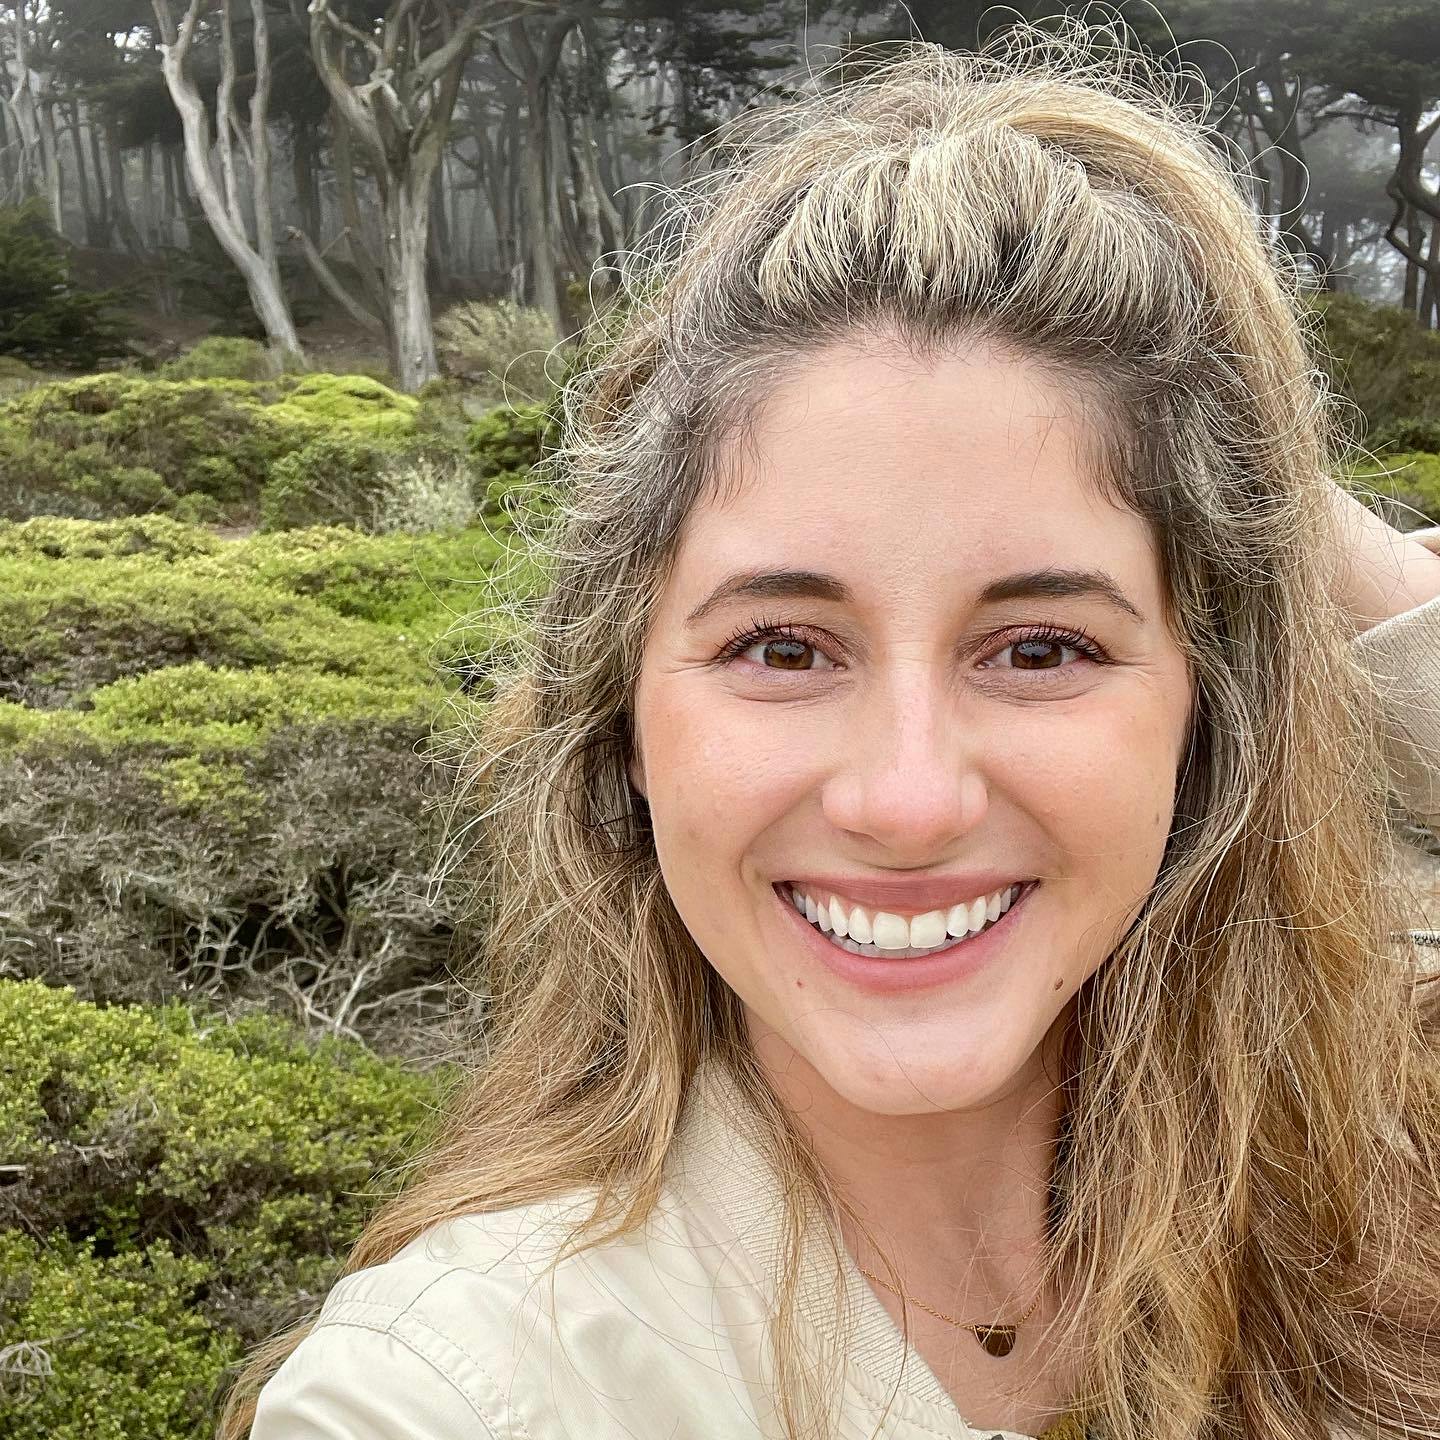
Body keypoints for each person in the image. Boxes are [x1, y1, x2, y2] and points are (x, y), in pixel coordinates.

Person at [224, 27, 1440, 1440]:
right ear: (623, 718)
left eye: (1042, 647)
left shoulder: (1380, 1150)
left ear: (1209, 719)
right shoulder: (454, 1393)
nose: (908, 798)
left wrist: (1256, 466)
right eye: (783, 647)